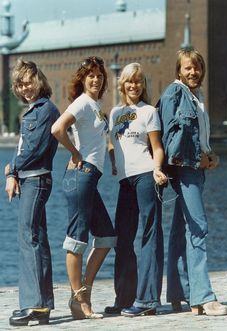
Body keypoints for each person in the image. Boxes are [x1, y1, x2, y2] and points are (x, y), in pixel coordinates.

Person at [157, 47, 227, 316]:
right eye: (188, 67)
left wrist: (209, 155)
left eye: (197, 67)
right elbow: (171, 142)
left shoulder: (194, 96)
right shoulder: (175, 94)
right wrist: (200, 160)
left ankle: (181, 293)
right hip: (185, 170)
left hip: (194, 168)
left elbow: (192, 136)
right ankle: (203, 297)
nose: (193, 72)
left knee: (182, 230)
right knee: (198, 228)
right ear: (179, 70)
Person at [51, 56, 117, 320]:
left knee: (106, 237)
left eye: (100, 75)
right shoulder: (82, 103)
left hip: (91, 177)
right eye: (91, 75)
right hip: (81, 175)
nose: (96, 79)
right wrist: (75, 153)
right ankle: (78, 300)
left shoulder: (96, 105)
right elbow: (58, 129)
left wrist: (111, 158)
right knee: (77, 239)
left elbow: (100, 140)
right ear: (82, 79)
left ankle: (83, 291)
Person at [105, 63, 167, 317]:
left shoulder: (149, 111)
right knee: (123, 238)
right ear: (122, 85)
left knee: (149, 235)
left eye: (139, 81)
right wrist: (113, 164)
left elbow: (157, 146)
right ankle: (125, 298)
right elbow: (112, 144)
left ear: (143, 85)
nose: (134, 85)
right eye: (130, 81)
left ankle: (148, 300)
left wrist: (157, 168)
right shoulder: (115, 112)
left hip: (145, 176)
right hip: (125, 182)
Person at [5, 59, 60, 326]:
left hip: (36, 180)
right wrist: (15, 173)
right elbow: (26, 149)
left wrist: (10, 170)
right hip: (30, 178)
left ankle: (34, 304)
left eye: (28, 82)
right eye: (20, 84)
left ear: (38, 80)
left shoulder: (44, 110)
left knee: (29, 238)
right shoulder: (35, 109)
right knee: (37, 237)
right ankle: (42, 305)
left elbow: (34, 149)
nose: (25, 88)